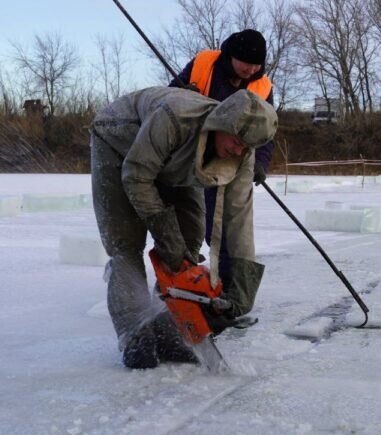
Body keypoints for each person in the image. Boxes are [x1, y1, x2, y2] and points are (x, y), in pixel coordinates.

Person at [89, 87, 278, 369]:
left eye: (246, 147)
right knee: (125, 243)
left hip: (173, 160)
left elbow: (238, 216)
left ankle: (167, 323)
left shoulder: (241, 152)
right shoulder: (174, 119)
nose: (238, 150)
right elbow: (137, 176)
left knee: (188, 239)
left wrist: (241, 291)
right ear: (222, 124)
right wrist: (164, 233)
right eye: (237, 141)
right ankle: (134, 332)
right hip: (119, 143)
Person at [170, 30, 274, 289]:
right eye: (246, 63)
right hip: (191, 155)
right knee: (188, 222)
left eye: (256, 65)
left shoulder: (263, 87)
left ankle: (228, 287)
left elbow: (265, 132)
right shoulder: (203, 64)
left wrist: (260, 162)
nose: (251, 70)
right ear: (232, 55)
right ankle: (177, 283)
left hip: (232, 160)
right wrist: (183, 95)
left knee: (228, 227)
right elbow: (168, 99)